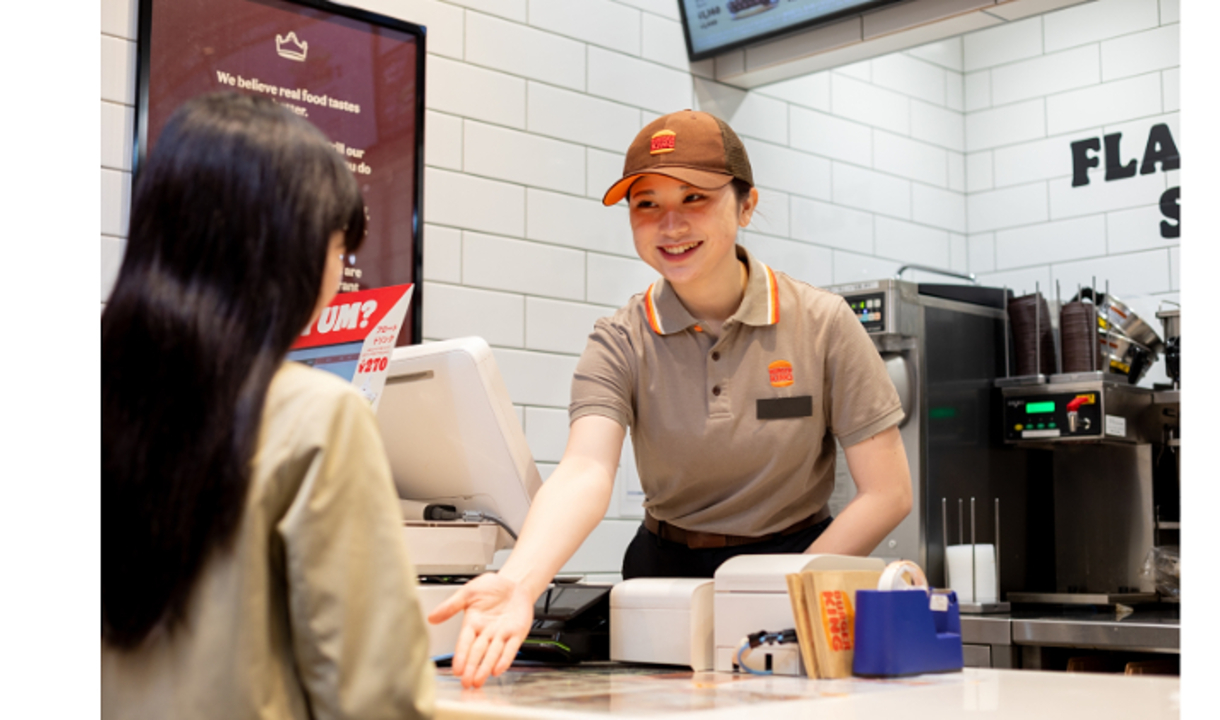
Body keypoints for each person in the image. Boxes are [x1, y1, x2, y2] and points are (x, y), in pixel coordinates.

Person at [429, 109, 912, 689]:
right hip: (665, 572)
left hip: (799, 563)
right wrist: (520, 582)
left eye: (694, 198)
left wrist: (786, 588)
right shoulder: (620, 338)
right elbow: (585, 470)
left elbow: (887, 493)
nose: (671, 224)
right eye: (647, 204)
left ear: (747, 205)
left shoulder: (823, 323)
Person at [101, 93, 434, 719]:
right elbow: (374, 694)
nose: (340, 274)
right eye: (340, 250)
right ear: (281, 251)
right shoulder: (320, 417)